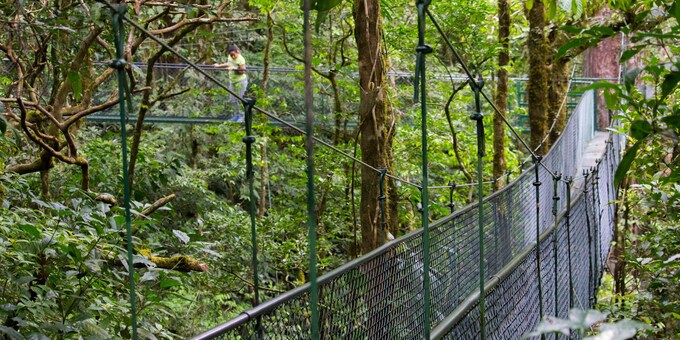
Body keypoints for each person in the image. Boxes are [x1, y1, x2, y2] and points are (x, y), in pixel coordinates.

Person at [214, 45, 248, 122]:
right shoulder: (230, 57)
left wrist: (234, 69)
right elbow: (229, 63)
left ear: (237, 52)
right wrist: (219, 66)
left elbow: (243, 71)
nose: (232, 56)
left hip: (240, 81)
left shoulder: (241, 59)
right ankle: (236, 115)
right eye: (231, 55)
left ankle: (242, 117)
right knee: (232, 99)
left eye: (233, 54)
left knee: (239, 99)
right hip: (232, 81)